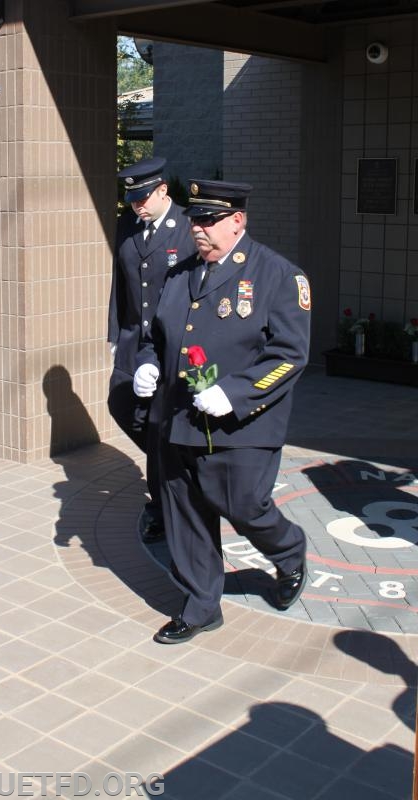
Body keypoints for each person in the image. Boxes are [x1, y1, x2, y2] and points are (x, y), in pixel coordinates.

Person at [133, 179, 311, 643]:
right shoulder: (179, 274)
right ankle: (201, 604)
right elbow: (156, 337)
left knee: (245, 506)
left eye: (209, 220)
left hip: (241, 424)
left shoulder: (278, 276)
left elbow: (291, 355)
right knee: (185, 513)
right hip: (177, 420)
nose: (199, 229)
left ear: (238, 220)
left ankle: (289, 551)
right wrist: (148, 365)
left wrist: (235, 393)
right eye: (195, 219)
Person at [107, 156, 196, 543]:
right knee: (120, 403)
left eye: (144, 197)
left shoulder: (188, 229)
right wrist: (113, 337)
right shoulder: (126, 226)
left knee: (162, 428)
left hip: (169, 345)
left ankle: (162, 505)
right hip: (132, 341)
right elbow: (121, 283)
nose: (137, 205)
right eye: (132, 199)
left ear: (163, 190)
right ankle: (173, 464)